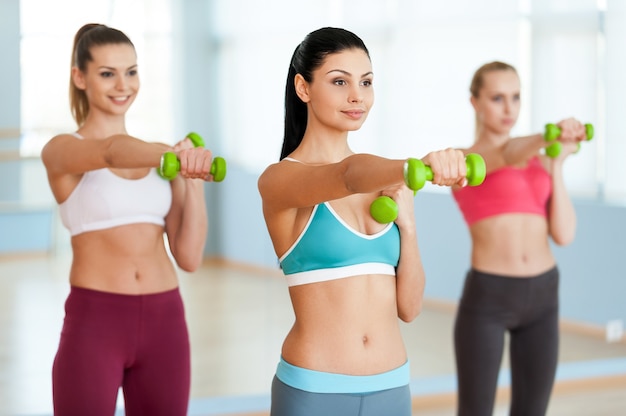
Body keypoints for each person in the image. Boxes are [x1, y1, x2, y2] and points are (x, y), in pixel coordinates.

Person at [257, 27, 469, 416]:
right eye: (340, 81)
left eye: (366, 82)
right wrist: (416, 167)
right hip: (314, 392)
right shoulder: (280, 180)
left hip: (392, 387)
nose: (358, 96)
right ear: (303, 88)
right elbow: (345, 175)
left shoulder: (384, 184)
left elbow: (410, 308)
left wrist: (409, 226)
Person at [41, 23, 216, 416]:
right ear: (79, 77)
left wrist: (194, 178)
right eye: (107, 73)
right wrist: (169, 157)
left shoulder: (163, 156)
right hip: (96, 322)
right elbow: (109, 153)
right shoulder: (63, 151)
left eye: (131, 71)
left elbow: (188, 257)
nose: (123, 85)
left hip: (166, 320)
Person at [451, 61, 588, 416]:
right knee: (475, 410)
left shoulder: (541, 163)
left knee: (532, 411)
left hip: (544, 294)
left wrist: (557, 164)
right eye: (497, 98)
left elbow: (564, 233)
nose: (509, 108)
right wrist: (550, 135)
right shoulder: (466, 163)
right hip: (490, 298)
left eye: (515, 97)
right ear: (474, 102)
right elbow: (507, 153)